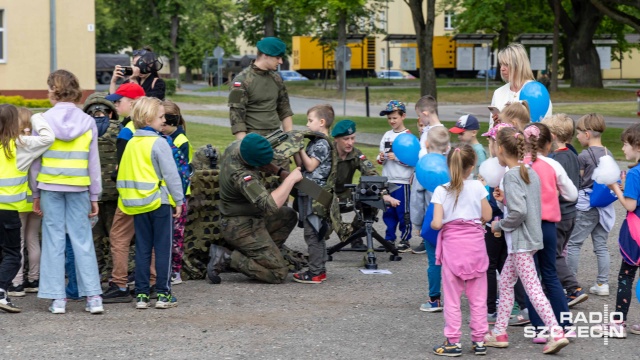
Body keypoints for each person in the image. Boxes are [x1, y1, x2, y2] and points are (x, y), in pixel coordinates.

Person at [484, 127, 569, 354]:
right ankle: (499, 332)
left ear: (501, 149)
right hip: (529, 239)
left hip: (520, 242)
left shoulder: (511, 176)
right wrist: (503, 202)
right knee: (506, 283)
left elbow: (519, 212)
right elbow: (526, 206)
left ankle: (556, 331)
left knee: (533, 289)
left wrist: (499, 224)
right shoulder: (528, 171)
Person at [32, 69, 104, 315]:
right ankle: (93, 297)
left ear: (54, 90)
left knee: (53, 241)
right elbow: (93, 163)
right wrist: (95, 195)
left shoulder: (41, 120)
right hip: (79, 187)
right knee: (83, 241)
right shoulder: (88, 121)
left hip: (49, 187)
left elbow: (35, 162)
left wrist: (35, 193)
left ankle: (58, 299)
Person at [207, 133, 303, 284]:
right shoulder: (241, 175)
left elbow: (261, 158)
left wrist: (279, 172)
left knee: (288, 215)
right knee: (278, 273)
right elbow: (269, 206)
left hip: (252, 217)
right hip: (240, 227)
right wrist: (290, 179)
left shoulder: (239, 146)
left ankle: (263, 258)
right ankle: (228, 257)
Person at [116, 96, 183, 310]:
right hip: (159, 202)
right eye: (161, 116)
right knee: (162, 248)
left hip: (136, 203)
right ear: (148, 118)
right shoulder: (159, 143)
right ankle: (163, 294)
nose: (164, 121)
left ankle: (142, 294)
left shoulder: (132, 143)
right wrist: (179, 200)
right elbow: (171, 175)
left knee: (143, 249)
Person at [430, 144, 492, 356]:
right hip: (475, 248)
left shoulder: (440, 190)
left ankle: (453, 341)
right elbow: (488, 215)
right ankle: (479, 340)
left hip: (452, 251)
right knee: (478, 298)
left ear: (449, 165)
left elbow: (437, 223)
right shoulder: (477, 187)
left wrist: (435, 225)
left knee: (452, 299)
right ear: (473, 166)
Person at [522, 123, 578, 343]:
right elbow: (572, 194)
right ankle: (565, 325)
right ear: (548, 143)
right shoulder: (553, 164)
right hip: (548, 227)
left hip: (527, 228)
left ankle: (540, 329)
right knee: (551, 275)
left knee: (531, 279)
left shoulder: (518, 167)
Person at [0, 104, 54, 313]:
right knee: (13, 254)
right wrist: (37, 117)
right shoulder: (20, 145)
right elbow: (48, 139)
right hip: (9, 210)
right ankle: (2, 292)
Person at [480, 123, 530, 326]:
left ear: (498, 146)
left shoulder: (502, 169)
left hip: (497, 223)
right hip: (506, 223)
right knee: (505, 265)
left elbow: (501, 203)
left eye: (490, 141)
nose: (488, 144)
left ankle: (490, 309)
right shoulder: (513, 167)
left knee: (490, 265)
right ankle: (523, 306)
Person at [102, 82, 148, 304]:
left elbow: (123, 169)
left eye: (118, 102)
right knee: (149, 238)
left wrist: (113, 176)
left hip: (130, 196)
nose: (115, 106)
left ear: (132, 103)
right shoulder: (152, 127)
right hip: (153, 194)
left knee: (118, 237)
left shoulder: (126, 132)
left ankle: (119, 284)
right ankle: (152, 282)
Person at [594, 123, 640, 338]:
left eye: (625, 144)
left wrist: (614, 188)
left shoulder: (634, 174)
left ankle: (618, 324)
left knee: (626, 276)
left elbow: (630, 206)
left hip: (635, 233)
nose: (623, 149)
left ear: (637, 147)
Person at [331, 120, 399, 251]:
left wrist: (383, 193)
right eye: (346, 139)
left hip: (347, 195)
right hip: (327, 196)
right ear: (336, 139)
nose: (350, 142)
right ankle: (323, 238)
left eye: (352, 138)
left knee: (373, 202)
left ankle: (355, 234)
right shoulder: (328, 153)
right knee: (323, 229)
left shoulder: (356, 153)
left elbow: (372, 173)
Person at [566, 114, 614, 296]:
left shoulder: (584, 155)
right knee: (601, 246)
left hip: (586, 206)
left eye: (578, 133)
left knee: (574, 243)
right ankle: (603, 284)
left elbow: (579, 180)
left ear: (587, 134)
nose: (577, 137)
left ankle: (570, 282)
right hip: (603, 206)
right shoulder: (608, 152)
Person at [542, 114, 586, 307]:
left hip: (559, 214)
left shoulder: (556, 160)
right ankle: (552, 287)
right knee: (557, 251)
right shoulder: (572, 154)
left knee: (554, 255)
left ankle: (573, 287)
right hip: (571, 214)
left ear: (551, 136)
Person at [291, 104, 333, 283]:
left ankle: (315, 272)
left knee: (312, 232)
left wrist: (299, 146)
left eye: (310, 120)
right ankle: (320, 268)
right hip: (308, 191)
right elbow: (301, 165)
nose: (307, 125)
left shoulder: (322, 143)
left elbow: (310, 166)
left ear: (322, 122)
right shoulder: (315, 142)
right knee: (316, 231)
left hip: (314, 193)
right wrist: (294, 149)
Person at [82, 92, 121, 282]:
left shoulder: (82, 130)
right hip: (115, 194)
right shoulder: (121, 130)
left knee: (94, 238)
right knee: (117, 237)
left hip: (91, 195)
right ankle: (114, 273)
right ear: (111, 113)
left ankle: (94, 273)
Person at [410, 126, 449, 312]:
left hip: (431, 219)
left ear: (426, 143)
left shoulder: (423, 167)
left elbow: (417, 198)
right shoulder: (452, 165)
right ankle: (453, 295)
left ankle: (435, 299)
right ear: (447, 146)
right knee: (452, 259)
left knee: (434, 261)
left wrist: (417, 223)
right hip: (452, 220)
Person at [7, 108, 43, 298]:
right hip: (37, 198)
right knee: (33, 240)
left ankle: (17, 282)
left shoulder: (14, 144)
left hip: (18, 199)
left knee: (17, 243)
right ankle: (34, 280)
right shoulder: (36, 143)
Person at [228, 37, 293, 141]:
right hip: (254, 139)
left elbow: (285, 110)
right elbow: (236, 117)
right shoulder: (241, 81)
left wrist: (290, 138)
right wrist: (244, 146)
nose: (281, 61)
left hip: (277, 136)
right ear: (265, 55)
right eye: (277, 57)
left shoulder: (277, 79)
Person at [161, 100, 193, 285]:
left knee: (177, 235)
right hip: (168, 193)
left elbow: (181, 173)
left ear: (172, 123)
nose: (160, 127)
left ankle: (175, 271)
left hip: (179, 195)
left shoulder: (181, 141)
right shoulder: (163, 137)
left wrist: (178, 198)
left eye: (163, 123)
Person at [376, 100, 414, 252]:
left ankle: (405, 239)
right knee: (388, 212)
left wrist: (397, 158)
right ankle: (389, 238)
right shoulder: (386, 135)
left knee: (403, 212)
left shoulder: (408, 136)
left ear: (403, 116)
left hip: (402, 180)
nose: (392, 121)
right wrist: (381, 158)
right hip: (388, 179)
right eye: (389, 118)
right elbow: (380, 158)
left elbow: (412, 160)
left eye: (394, 118)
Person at [490, 43, 552, 128]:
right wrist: (495, 125)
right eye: (501, 64)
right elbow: (491, 129)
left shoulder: (537, 91)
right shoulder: (498, 93)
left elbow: (546, 127)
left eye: (506, 64)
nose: (502, 69)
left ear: (519, 65)